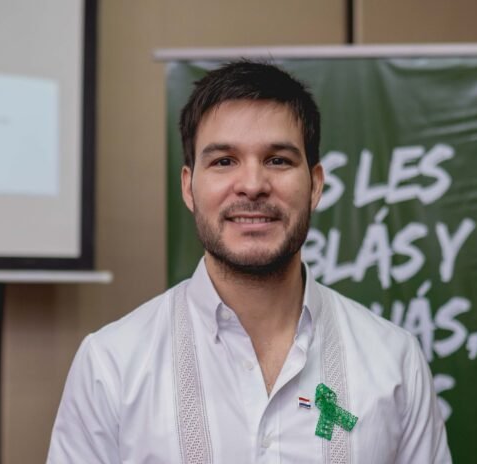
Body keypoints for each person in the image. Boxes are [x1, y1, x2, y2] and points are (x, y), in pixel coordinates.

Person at [48, 60, 451, 463]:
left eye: (278, 160)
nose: (253, 185)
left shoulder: (394, 361)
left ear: (315, 185)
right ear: (188, 187)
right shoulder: (111, 365)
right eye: (224, 161)